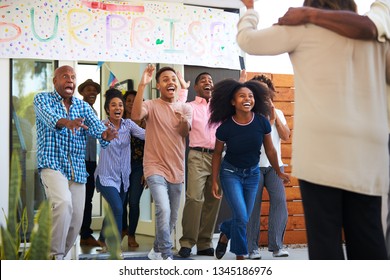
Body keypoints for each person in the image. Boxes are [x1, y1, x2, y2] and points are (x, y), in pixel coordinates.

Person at [237, 0, 389, 259]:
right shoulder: (376, 34)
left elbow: (248, 41)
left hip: (320, 149)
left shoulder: (301, 28)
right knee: (368, 235)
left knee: (324, 240)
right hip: (369, 149)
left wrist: (249, 10)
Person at [33, 65, 118, 260]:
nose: (70, 79)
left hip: (77, 170)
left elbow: (98, 129)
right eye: (65, 76)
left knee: (77, 217)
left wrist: (107, 134)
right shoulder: (42, 99)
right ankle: (55, 256)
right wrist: (67, 122)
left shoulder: (83, 107)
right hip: (52, 164)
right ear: (55, 81)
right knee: (63, 204)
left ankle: (60, 254)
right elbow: (50, 118)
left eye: (72, 76)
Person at [209, 78, 290, 260]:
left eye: (251, 96)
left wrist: (279, 170)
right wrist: (214, 180)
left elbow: (270, 149)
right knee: (242, 214)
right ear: (233, 101)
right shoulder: (225, 128)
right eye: (242, 96)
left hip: (252, 174)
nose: (247, 99)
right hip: (231, 174)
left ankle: (225, 232)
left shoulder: (261, 122)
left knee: (242, 216)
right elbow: (216, 154)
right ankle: (241, 254)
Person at [131, 64, 193, 260]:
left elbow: (184, 133)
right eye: (165, 79)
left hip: (176, 168)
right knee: (163, 208)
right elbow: (135, 116)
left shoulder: (185, 107)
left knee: (172, 217)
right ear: (158, 85)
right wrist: (142, 85)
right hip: (154, 166)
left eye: (173, 79)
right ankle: (166, 255)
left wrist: (183, 120)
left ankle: (156, 250)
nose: (170, 82)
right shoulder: (151, 104)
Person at [246, 74, 291, 259]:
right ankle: (251, 249)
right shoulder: (247, 113)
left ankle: (277, 246)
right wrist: (269, 121)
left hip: (275, 167)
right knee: (252, 208)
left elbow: (286, 136)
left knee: (280, 203)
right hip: (253, 167)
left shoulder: (278, 112)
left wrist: (275, 117)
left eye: (265, 89)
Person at [94, 88, 145, 248]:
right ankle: (115, 248)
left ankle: (102, 239)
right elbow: (97, 135)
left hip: (123, 178)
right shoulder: (102, 125)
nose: (118, 108)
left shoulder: (128, 125)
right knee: (117, 207)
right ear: (108, 109)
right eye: (114, 105)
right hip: (105, 177)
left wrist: (163, 127)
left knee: (114, 209)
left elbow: (146, 135)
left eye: (120, 105)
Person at [178, 72, 221, 258]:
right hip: (197, 155)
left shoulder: (220, 108)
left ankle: (204, 243)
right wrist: (182, 90)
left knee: (214, 199)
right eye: (203, 80)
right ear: (196, 87)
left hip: (219, 157)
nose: (207, 82)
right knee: (195, 198)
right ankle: (187, 242)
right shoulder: (190, 106)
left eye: (210, 80)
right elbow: (178, 111)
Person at [77, 79, 101, 247]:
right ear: (82, 93)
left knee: (88, 199)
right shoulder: (78, 109)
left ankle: (85, 234)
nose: (92, 92)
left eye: (95, 90)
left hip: (92, 161)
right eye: (88, 90)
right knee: (78, 199)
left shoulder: (94, 112)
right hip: (80, 160)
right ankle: (81, 234)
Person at [121, 90, 146, 247]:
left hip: (139, 167)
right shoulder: (119, 121)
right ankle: (123, 229)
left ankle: (131, 234)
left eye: (134, 100)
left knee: (134, 201)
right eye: (128, 100)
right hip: (120, 168)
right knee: (121, 202)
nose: (131, 103)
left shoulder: (147, 122)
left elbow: (152, 147)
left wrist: (146, 170)